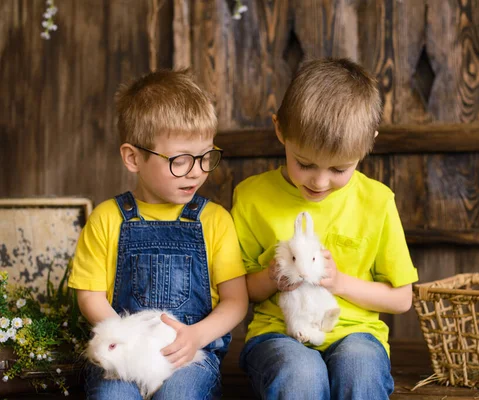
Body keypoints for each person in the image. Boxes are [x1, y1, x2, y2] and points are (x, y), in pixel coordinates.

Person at [231, 58, 419, 399]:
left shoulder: (377, 201)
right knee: (301, 373)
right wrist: (271, 278)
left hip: (356, 333)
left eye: (339, 168)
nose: (319, 182)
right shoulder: (251, 197)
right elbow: (238, 290)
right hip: (279, 333)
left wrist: (338, 282)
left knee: (360, 368)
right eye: (305, 164)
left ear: (368, 144)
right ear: (280, 130)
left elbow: (402, 298)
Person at [68, 69, 248, 400]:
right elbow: (89, 296)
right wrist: (128, 342)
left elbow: (236, 301)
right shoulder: (107, 219)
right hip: (120, 357)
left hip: (188, 358)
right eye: (180, 160)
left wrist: (195, 337)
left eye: (205, 157)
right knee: (112, 397)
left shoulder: (214, 220)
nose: (196, 171)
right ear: (133, 157)